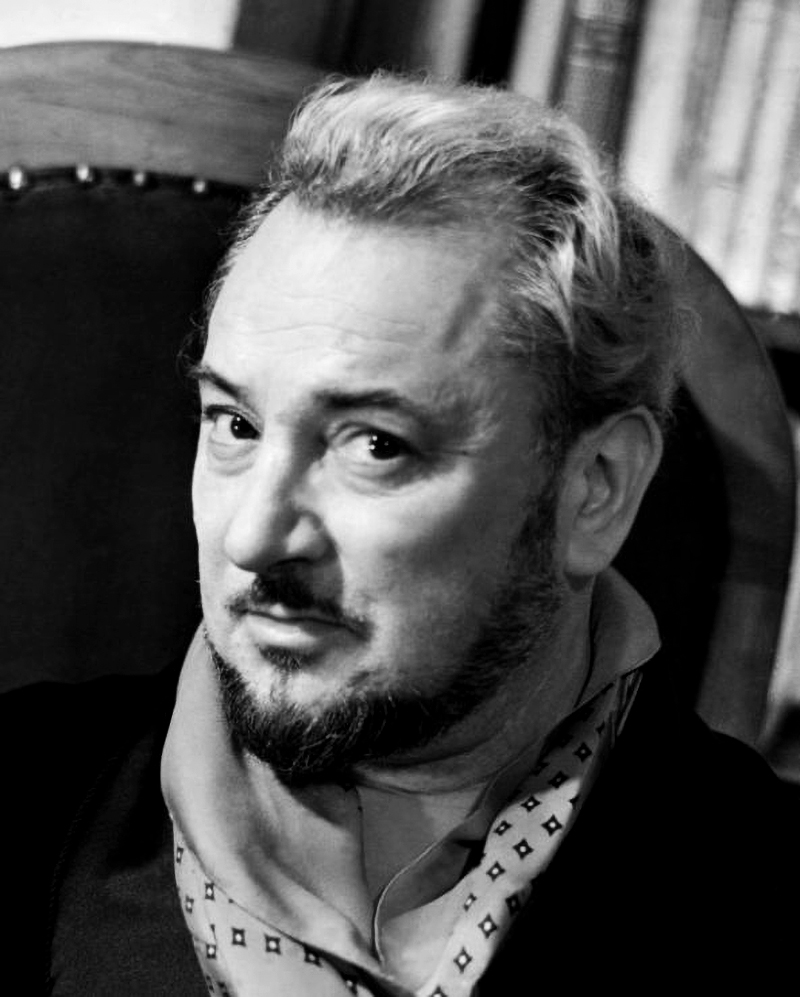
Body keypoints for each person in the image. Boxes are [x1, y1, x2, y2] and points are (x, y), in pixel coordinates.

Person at [3, 74, 797, 996]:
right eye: (235, 424)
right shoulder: (27, 802)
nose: (254, 536)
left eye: (375, 444)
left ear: (595, 488)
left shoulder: (757, 895)